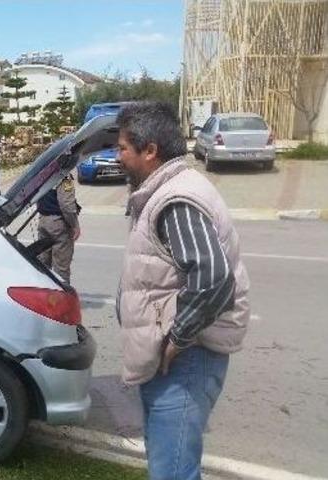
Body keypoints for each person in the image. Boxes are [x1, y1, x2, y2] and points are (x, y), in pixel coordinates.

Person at [115, 102, 250, 480]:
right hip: (176, 362)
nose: (117, 156)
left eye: (122, 147)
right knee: (172, 463)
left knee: (173, 472)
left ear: (150, 150)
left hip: (186, 361)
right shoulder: (168, 190)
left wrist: (178, 335)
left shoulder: (176, 200)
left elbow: (213, 277)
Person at [36, 174, 80, 284]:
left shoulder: (43, 173)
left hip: (43, 221)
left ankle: (43, 296)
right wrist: (75, 225)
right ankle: (62, 298)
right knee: (61, 269)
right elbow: (67, 205)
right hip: (59, 224)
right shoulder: (63, 176)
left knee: (43, 266)